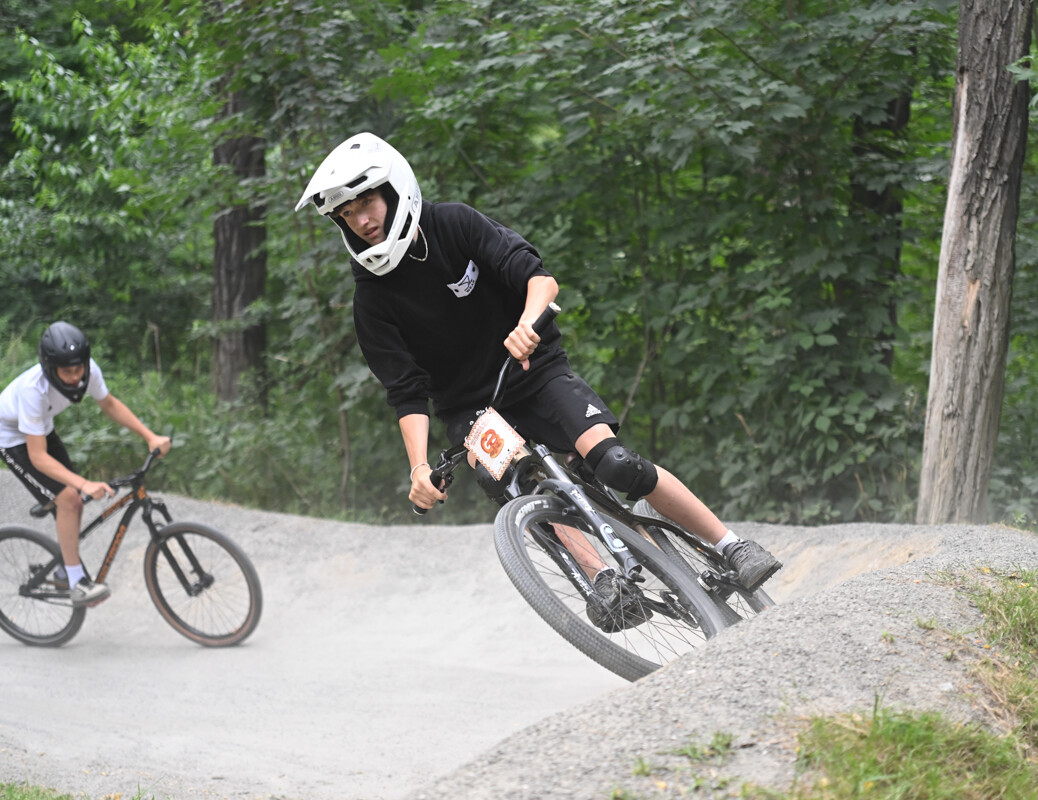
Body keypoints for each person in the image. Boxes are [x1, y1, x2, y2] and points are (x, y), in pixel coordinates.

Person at [294, 132, 782, 627]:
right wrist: (418, 468)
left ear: (395, 190)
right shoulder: (370, 299)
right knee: (521, 482)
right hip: (472, 410)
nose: (362, 220)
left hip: (533, 370)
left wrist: (528, 324)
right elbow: (406, 393)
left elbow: (538, 278)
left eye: (367, 202)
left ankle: (732, 546)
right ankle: (602, 583)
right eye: (347, 215)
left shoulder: (453, 223)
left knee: (616, 465)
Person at [0, 321, 172, 607]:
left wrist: (150, 436)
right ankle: (75, 582)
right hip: (10, 437)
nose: (75, 377)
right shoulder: (32, 391)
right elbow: (37, 457)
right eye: (67, 372)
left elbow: (109, 404)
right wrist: (82, 483)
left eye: (78, 369)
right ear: (50, 369)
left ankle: (62, 560)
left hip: (41, 428)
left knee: (73, 498)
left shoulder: (87, 369)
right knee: (71, 497)